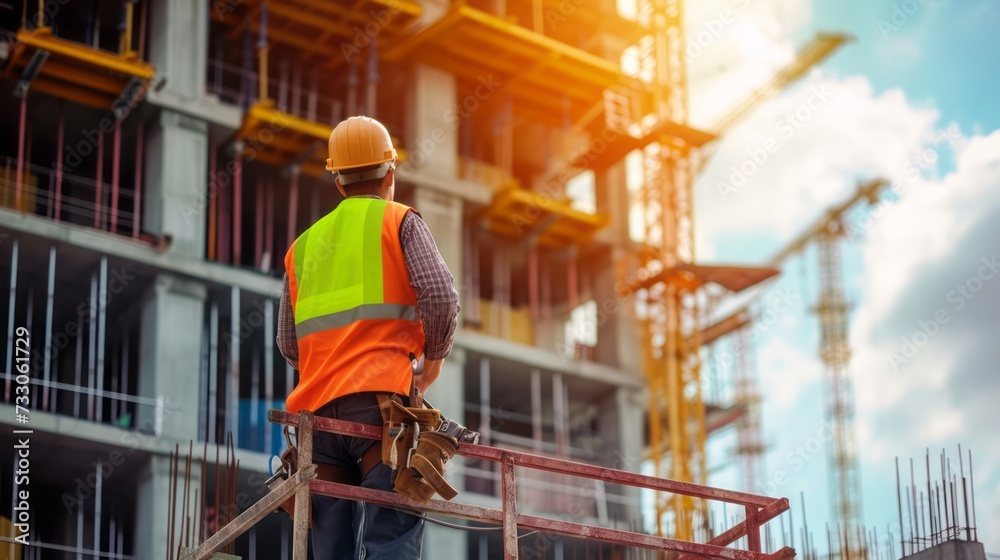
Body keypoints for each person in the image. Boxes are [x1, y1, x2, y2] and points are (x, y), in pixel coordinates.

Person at [276, 115, 460, 559]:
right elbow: (439, 294)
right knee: (389, 538)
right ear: (390, 174)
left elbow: (287, 341)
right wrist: (431, 362)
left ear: (337, 181)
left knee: (327, 550)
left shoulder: (303, 247)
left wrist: (326, 368)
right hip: (381, 412)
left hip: (316, 420)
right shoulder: (400, 221)